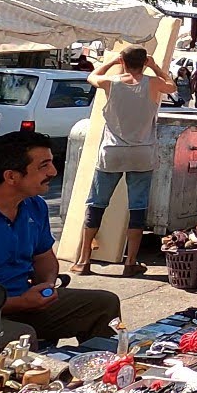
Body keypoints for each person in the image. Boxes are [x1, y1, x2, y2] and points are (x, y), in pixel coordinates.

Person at [0, 131, 121, 345]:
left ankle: (97, 371)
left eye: (52, 163)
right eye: (43, 166)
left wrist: (47, 286)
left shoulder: (34, 205)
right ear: (11, 176)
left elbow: (44, 258)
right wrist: (19, 302)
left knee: (104, 304)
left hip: (24, 300)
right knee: (22, 337)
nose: (53, 171)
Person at [72, 46, 176, 277]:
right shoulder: (152, 83)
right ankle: (130, 262)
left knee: (97, 203)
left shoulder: (113, 83)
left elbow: (91, 76)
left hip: (112, 151)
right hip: (142, 152)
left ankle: (83, 260)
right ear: (144, 61)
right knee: (137, 208)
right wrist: (154, 66)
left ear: (123, 61)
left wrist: (111, 62)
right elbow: (172, 85)